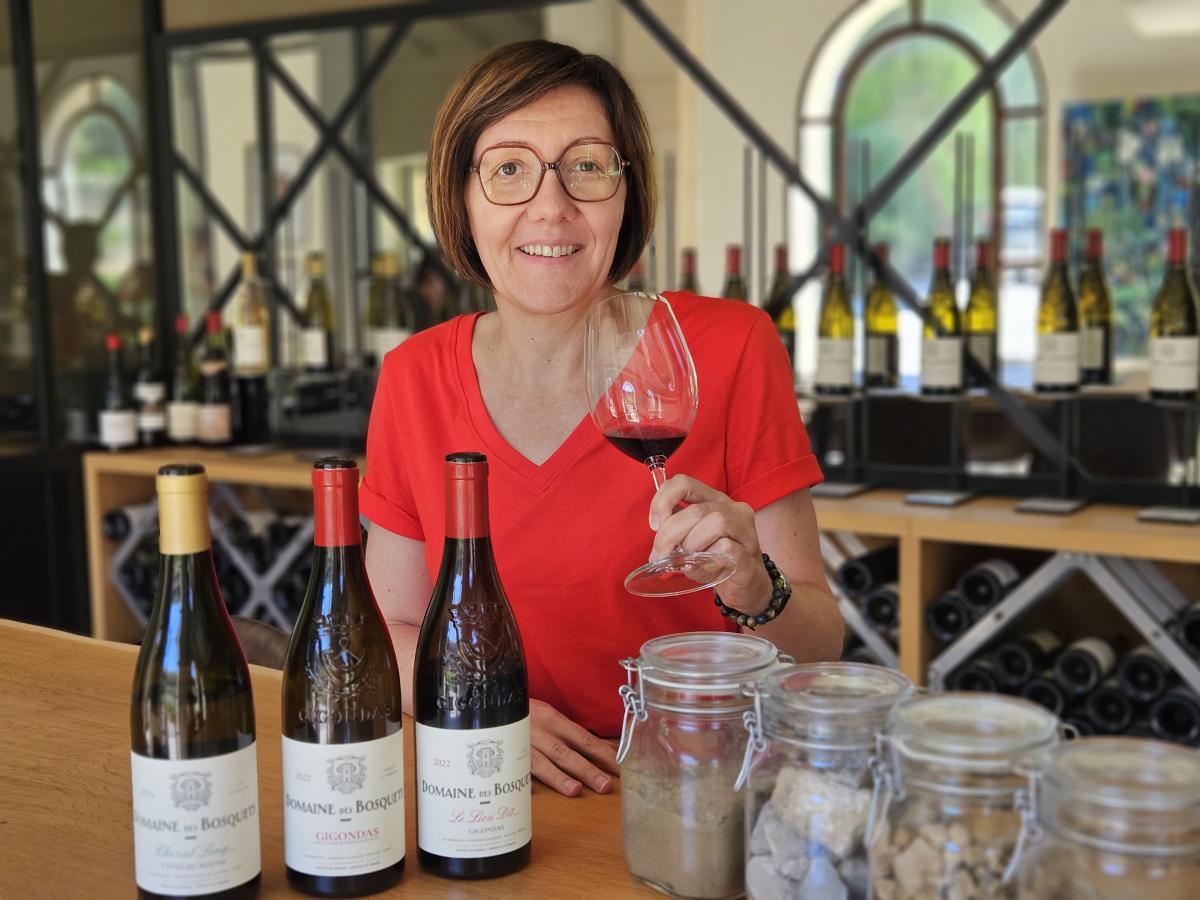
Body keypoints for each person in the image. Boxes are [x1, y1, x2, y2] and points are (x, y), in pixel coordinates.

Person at [361, 40, 842, 799]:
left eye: (586, 165)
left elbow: (819, 645)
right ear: (461, 199)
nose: (551, 207)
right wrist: (487, 709)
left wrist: (756, 586)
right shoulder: (412, 376)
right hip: (496, 788)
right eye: (508, 170)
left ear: (628, 192)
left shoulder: (731, 347)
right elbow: (386, 631)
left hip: (703, 793)